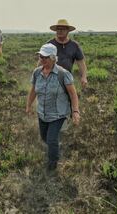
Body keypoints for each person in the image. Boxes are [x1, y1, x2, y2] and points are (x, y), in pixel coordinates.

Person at [26, 43, 80, 171]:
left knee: (51, 139)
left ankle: (53, 163)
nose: (42, 59)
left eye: (45, 57)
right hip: (42, 113)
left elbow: (73, 94)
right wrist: (28, 105)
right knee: (44, 137)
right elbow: (33, 90)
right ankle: (54, 146)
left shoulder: (63, 74)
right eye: (40, 56)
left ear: (53, 58)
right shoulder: (37, 72)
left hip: (58, 114)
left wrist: (75, 111)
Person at [48, 19, 88, 88]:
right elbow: (41, 61)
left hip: (67, 80)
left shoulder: (74, 45)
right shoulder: (49, 44)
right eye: (58, 29)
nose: (60, 31)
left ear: (68, 31)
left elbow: (81, 63)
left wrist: (84, 77)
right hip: (51, 79)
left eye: (63, 29)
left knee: (69, 97)